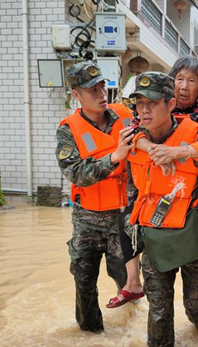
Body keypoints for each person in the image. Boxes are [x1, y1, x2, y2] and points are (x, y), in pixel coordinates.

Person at [125, 71, 198, 347]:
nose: (144, 109)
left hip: (193, 241)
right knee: (159, 311)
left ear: (170, 104)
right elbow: (131, 189)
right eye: (139, 103)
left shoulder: (196, 140)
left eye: (151, 103)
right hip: (154, 242)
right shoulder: (134, 143)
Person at [55, 61, 140, 333]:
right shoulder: (68, 129)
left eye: (102, 86)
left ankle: (131, 328)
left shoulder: (126, 116)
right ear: (76, 95)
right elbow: (76, 172)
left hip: (123, 217)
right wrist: (115, 157)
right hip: (87, 220)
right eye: (92, 89)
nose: (101, 93)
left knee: (128, 281)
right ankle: (91, 337)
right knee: (84, 280)